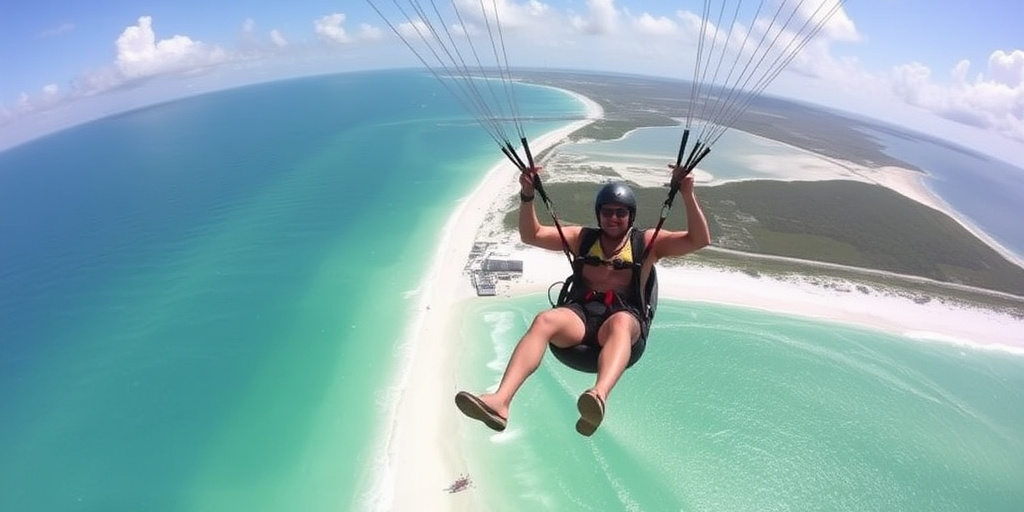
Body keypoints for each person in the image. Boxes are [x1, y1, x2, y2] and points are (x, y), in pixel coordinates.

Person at [455, 163, 711, 436]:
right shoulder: (583, 238)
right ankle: (500, 401)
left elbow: (699, 239)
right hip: (581, 315)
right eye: (607, 212)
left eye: (620, 213)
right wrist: (527, 195)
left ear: (631, 216)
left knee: (621, 322)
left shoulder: (647, 243)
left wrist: (687, 193)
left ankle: (598, 397)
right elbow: (532, 235)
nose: (613, 218)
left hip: (622, 323)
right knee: (544, 319)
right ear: (598, 215)